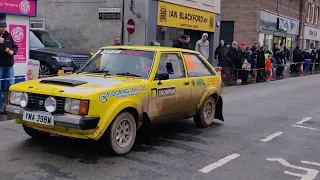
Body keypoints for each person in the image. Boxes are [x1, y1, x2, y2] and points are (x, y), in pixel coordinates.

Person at [0, 21, 18, 111]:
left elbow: (15, 47)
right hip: (0, 66)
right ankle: (0, 106)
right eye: (1, 27)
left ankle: (8, 105)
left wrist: (13, 51)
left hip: (9, 66)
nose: (3, 28)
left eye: (4, 27)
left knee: (10, 85)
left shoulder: (9, 36)